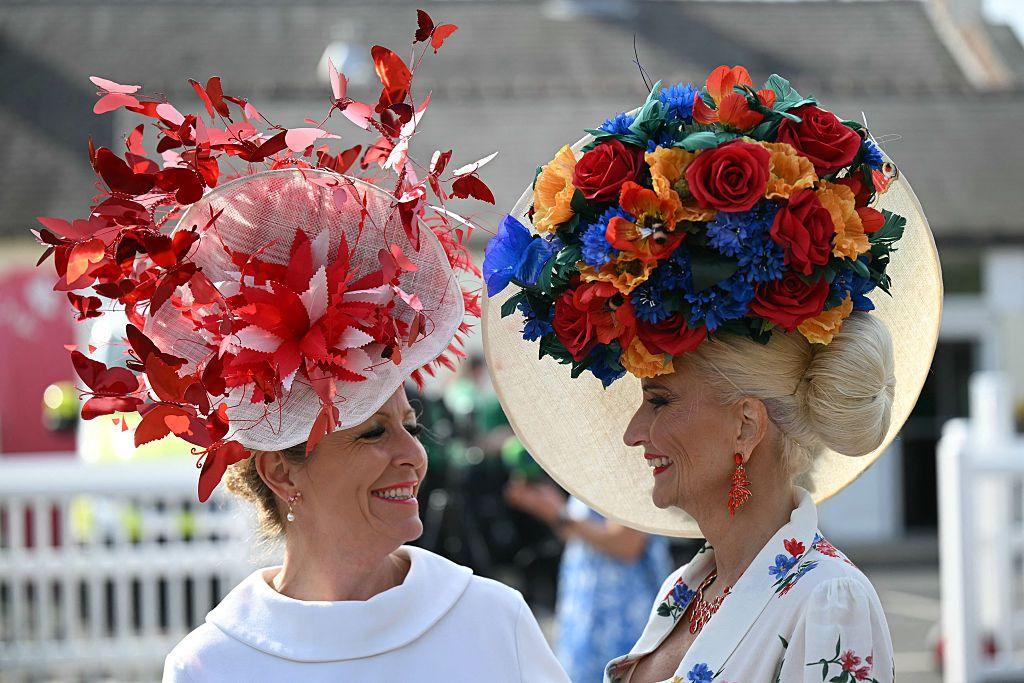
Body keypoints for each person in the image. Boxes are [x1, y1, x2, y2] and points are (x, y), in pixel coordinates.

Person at [41, 15, 568, 683]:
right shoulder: (215, 665)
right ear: (282, 473)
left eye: (406, 424)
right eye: (372, 432)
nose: (413, 452)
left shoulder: (493, 623)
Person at [483, 63, 942, 682]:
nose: (633, 433)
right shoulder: (686, 590)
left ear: (746, 427)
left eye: (661, 399)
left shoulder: (828, 600)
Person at [506, 480, 672, 683]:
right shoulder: (598, 475)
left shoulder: (627, 477)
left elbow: (626, 544)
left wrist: (559, 514)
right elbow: (581, 535)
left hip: (620, 618)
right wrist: (549, 507)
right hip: (589, 614)